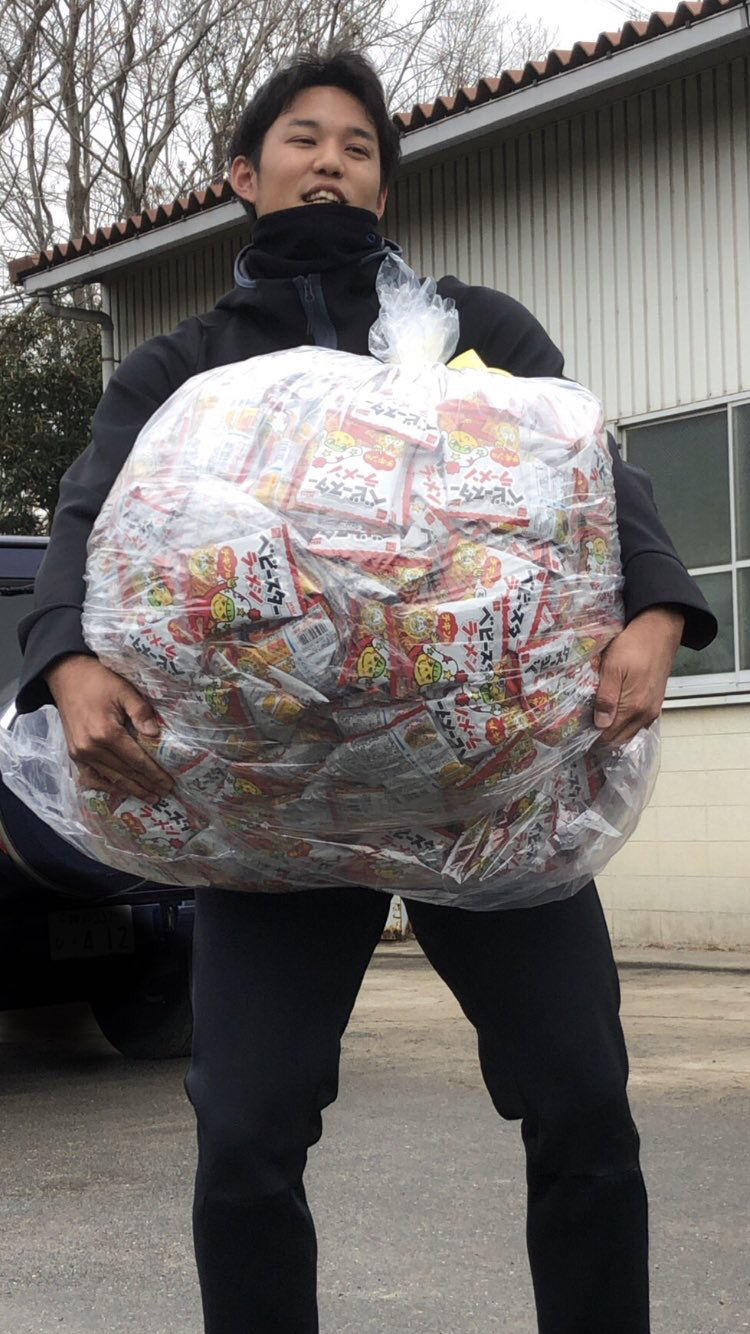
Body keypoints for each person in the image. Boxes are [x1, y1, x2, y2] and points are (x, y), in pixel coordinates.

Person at [16, 49, 717, 1334]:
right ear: (245, 173)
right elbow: (87, 515)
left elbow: (593, 478)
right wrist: (65, 658)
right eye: (303, 139)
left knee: (583, 1105)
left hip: (483, 801)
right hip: (271, 816)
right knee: (245, 1133)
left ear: (384, 187)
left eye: (357, 146)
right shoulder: (181, 368)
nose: (331, 160)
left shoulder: (478, 334)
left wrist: (660, 610)